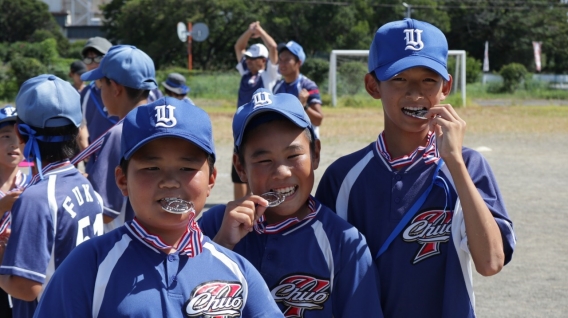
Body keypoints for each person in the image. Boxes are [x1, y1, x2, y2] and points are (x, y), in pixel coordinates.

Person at [315, 19, 516, 317]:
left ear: (446, 86)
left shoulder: (469, 165)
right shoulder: (344, 177)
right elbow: (322, 275)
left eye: (428, 80)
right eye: (398, 78)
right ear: (373, 86)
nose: (415, 93)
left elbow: (491, 263)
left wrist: (455, 164)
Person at [33, 97, 284, 318]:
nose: (170, 181)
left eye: (187, 168)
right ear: (122, 180)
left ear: (210, 180)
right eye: (151, 168)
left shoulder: (235, 269)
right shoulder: (89, 266)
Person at [199, 89, 383, 317]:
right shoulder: (214, 225)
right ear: (240, 167)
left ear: (315, 153)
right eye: (264, 160)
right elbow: (180, 299)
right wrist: (223, 245)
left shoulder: (344, 243)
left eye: (293, 155)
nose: (281, 172)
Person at [0, 75, 104, 318]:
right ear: (77, 129)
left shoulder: (36, 197)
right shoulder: (84, 184)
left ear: (20, 132)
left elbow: (26, 288)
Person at [79, 45, 158, 232]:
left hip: (126, 241)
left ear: (115, 88)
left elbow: (106, 212)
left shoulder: (118, 134)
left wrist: (81, 188)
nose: (99, 90)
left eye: (100, 84)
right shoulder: (162, 125)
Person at [233, 21, 280, 200]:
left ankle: (257, 205)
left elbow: (273, 47)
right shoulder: (245, 73)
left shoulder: (269, 75)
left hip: (261, 127)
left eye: (254, 59)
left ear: (264, 60)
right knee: (238, 171)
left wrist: (260, 31)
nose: (249, 62)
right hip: (242, 126)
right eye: (248, 59)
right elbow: (239, 46)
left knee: (258, 167)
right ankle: (239, 204)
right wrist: (249, 31)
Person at [0, 106, 28, 318]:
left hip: (20, 279)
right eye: (6, 136)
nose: (15, 143)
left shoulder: (31, 183)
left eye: (21, 135)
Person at [273, 41, 324, 138]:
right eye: (280, 59)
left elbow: (318, 120)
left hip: (306, 144)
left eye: (287, 60)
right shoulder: (277, 86)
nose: (282, 64)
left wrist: (304, 106)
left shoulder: (308, 85)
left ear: (299, 63)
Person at [77, 36, 114, 152]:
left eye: (98, 58)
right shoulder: (86, 93)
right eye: (88, 59)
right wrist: (84, 146)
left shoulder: (122, 90)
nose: (93, 63)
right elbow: (81, 124)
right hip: (96, 159)